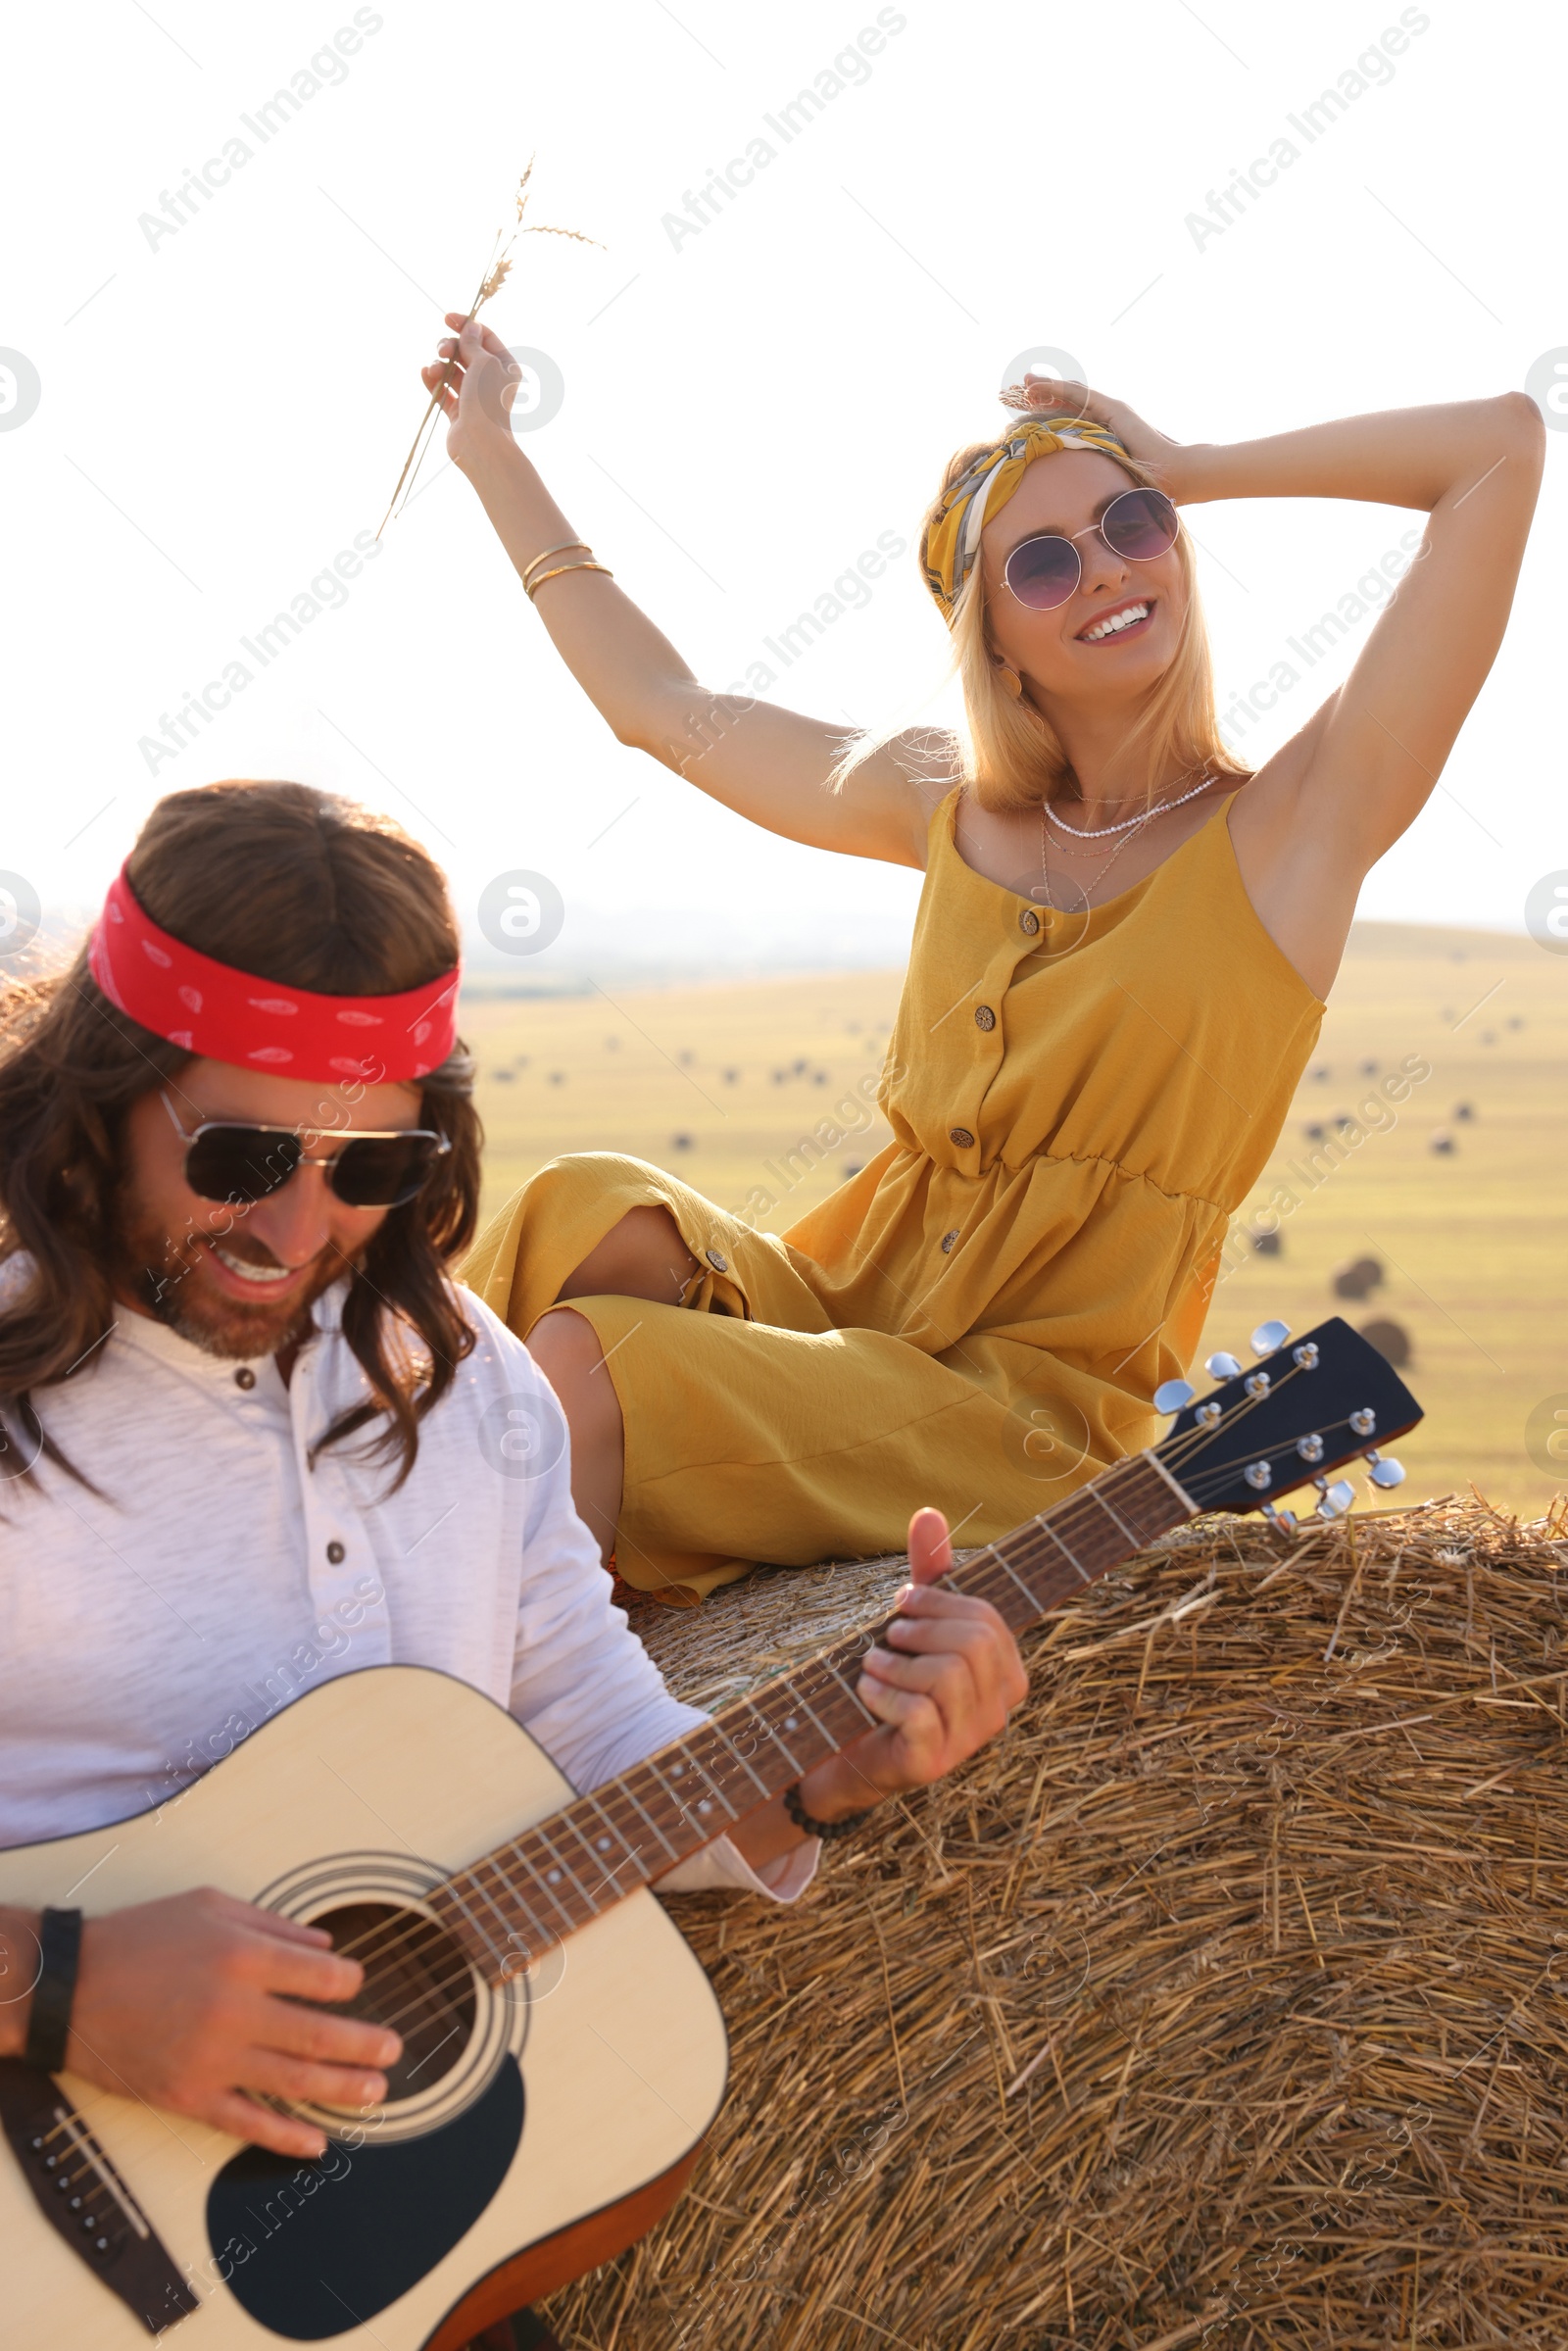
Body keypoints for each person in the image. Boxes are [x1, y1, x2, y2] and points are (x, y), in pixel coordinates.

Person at [0, 780, 1025, 2351]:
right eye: (243, 1152)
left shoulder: (470, 1386)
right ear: (105, 1083)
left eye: (371, 1171)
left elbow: (602, 1749)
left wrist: (832, 1770)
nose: (295, 1226)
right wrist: (63, 1988)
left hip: (352, 2258)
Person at [426, 317, 1543, 1604]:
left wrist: (1189, 462)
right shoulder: (940, 802)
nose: (1112, 572)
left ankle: (481, 1728)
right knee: (583, 1201)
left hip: (1021, 1414)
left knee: (597, 1362)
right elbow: (657, 708)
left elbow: (1499, 454)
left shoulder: (1298, 829)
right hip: (841, 1312)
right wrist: (491, 449)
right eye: (1049, 563)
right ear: (991, 638)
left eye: (1134, 526)